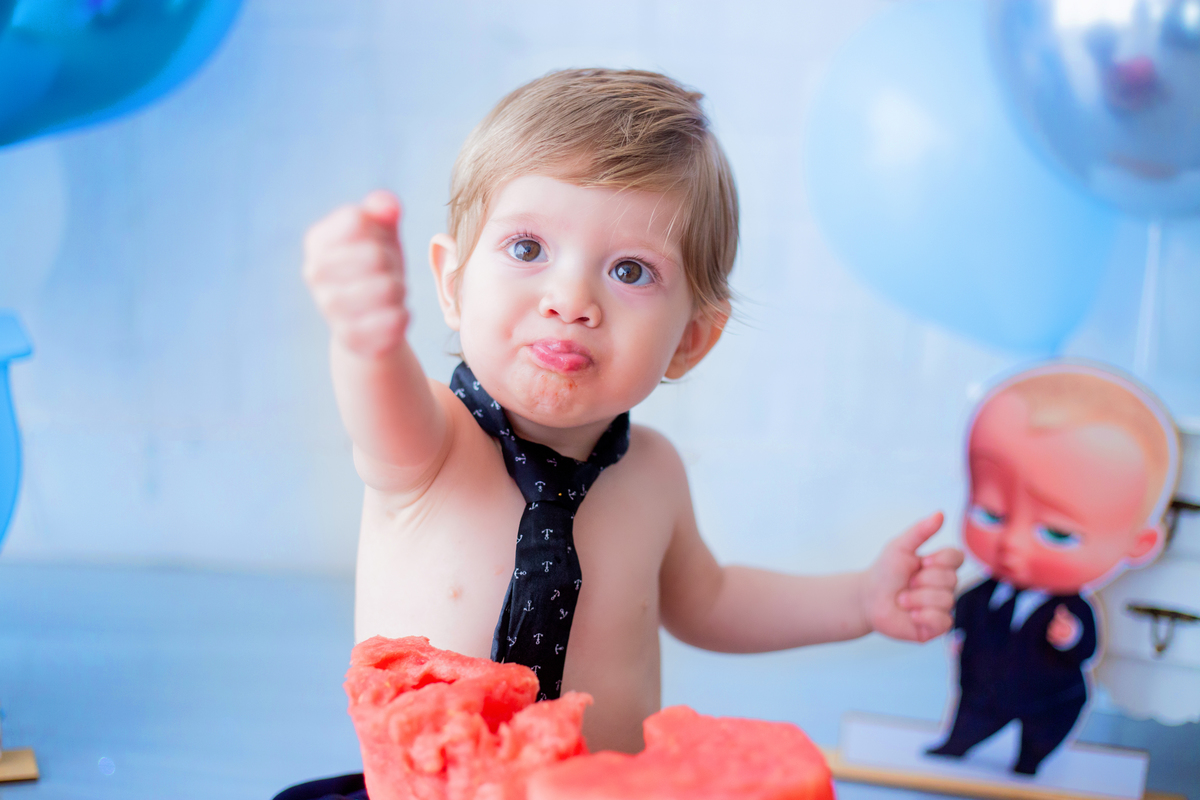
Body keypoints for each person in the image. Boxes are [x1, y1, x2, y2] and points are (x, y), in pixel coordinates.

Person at [301, 68, 963, 757]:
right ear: (453, 283)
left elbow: (710, 601)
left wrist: (859, 600)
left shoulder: (652, 474)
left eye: (629, 271)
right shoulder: (431, 443)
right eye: (527, 249)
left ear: (690, 340)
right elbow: (378, 405)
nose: (570, 296)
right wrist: (364, 337)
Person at [928, 363, 1178, 775]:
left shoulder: (1073, 611)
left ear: (1140, 543)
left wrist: (1071, 637)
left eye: (1058, 534)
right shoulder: (982, 594)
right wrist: (950, 625)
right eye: (991, 513)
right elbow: (964, 610)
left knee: (1037, 747)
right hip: (981, 688)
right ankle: (955, 745)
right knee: (965, 729)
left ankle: (1030, 762)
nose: (1013, 543)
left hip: (1048, 698)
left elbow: (1086, 648)